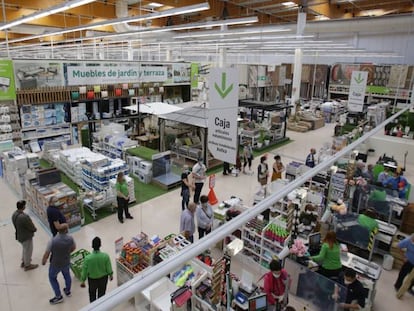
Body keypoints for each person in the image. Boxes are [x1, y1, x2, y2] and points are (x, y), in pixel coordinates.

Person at [42, 223, 76, 305]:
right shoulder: (70, 238)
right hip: (66, 261)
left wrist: (44, 260)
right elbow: (74, 247)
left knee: (52, 278)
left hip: (55, 263)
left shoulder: (52, 241)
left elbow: (47, 253)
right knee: (67, 275)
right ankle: (67, 291)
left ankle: (58, 296)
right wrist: (67, 253)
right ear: (66, 230)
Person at [80, 237, 113, 303]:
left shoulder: (88, 258)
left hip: (92, 280)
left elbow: (84, 271)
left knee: (92, 295)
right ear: (100, 245)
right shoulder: (105, 256)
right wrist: (110, 275)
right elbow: (109, 268)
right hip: (103, 279)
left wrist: (82, 281)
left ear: (92, 246)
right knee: (102, 294)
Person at [12, 200, 38, 271]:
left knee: (25, 249)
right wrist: (34, 229)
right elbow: (31, 226)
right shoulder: (24, 217)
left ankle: (24, 261)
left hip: (19, 235)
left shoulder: (14, 214)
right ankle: (27, 265)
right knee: (28, 250)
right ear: (23, 207)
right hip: (26, 236)